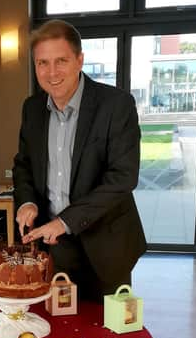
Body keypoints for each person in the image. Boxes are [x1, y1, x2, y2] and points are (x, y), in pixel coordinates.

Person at [13, 19, 146, 302]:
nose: (51, 73)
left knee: (110, 336)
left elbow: (123, 177)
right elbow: (23, 164)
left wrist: (65, 221)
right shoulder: (32, 108)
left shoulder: (116, 105)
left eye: (61, 61)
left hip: (108, 245)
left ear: (79, 60)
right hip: (56, 247)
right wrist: (27, 201)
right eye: (42, 63)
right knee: (60, 330)